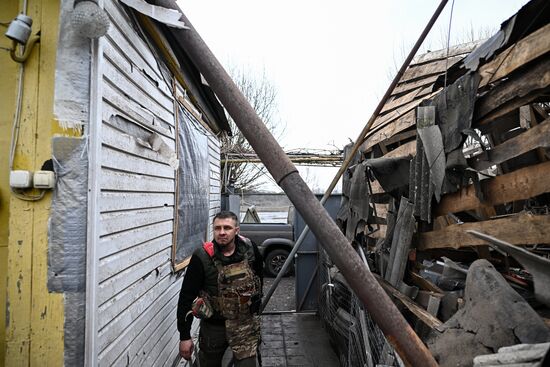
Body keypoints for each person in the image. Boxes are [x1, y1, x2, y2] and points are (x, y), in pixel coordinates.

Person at [177, 210, 264, 366]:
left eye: (227, 228)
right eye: (217, 228)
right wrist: (184, 336)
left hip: (244, 325)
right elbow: (186, 297)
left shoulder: (251, 250)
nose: (222, 232)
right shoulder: (201, 256)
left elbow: (259, 280)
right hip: (214, 328)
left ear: (236, 230)